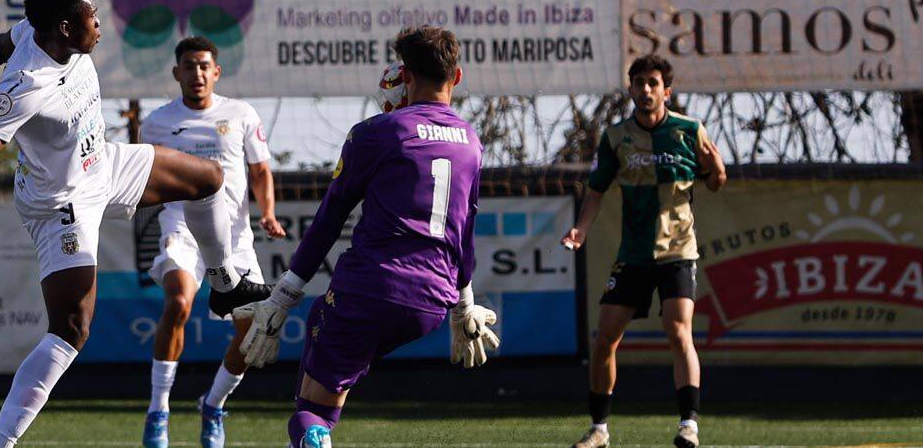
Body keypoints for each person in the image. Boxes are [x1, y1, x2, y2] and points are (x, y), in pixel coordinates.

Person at [0, 0, 269, 448]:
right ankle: (1, 442)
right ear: (66, 27)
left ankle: (225, 285)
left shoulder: (36, 29)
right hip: (59, 203)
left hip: (101, 163)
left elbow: (3, 41)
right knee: (72, 329)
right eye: (91, 14)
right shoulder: (25, 85)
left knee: (209, 177)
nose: (99, 21)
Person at [237, 26, 501, 448]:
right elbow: (464, 232)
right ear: (458, 76)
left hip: (371, 289)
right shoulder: (471, 141)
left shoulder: (379, 132)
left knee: (310, 412)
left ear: (406, 75)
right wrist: (462, 304)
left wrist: (282, 296)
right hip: (431, 304)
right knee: (326, 404)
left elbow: (328, 219)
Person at [561, 54, 727, 448]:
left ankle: (689, 424)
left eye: (653, 83)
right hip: (634, 254)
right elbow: (596, 191)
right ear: (631, 89)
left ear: (666, 91)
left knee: (677, 328)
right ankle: (599, 429)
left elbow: (716, 181)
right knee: (605, 340)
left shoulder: (689, 130)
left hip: (677, 250)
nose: (646, 90)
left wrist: (717, 167)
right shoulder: (616, 137)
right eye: (639, 83)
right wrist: (580, 230)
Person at [139, 35, 285, 448]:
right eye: (189, 66)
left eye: (204, 66)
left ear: (216, 72)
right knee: (178, 302)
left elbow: (260, 171)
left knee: (254, 327)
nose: (197, 73)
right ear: (177, 73)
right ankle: (158, 411)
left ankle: (213, 404)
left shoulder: (240, 113)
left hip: (234, 239)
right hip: (181, 228)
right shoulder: (156, 122)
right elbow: (146, 175)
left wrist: (268, 213)